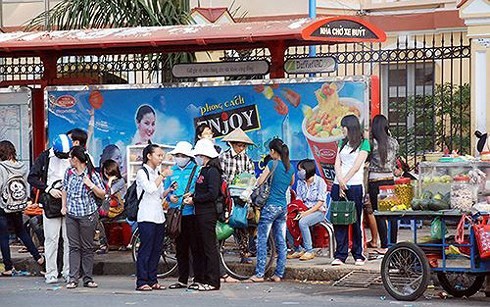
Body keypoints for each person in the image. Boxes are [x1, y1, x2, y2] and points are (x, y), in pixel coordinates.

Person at [247, 138, 294, 282]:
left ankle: (260, 274)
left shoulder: (272, 164)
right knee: (281, 241)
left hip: (270, 207)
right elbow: (291, 182)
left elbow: (260, 181)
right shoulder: (289, 167)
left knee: (262, 239)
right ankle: (279, 274)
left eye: (270, 150)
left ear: (273, 151)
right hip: (282, 207)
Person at [27, 134, 72, 284]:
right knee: (51, 239)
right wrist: (47, 189)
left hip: (69, 201)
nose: (65, 157)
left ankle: (67, 271)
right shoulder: (45, 157)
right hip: (51, 202)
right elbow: (31, 177)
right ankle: (51, 272)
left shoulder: (73, 156)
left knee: (68, 239)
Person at [62, 146, 105, 289]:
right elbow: (65, 189)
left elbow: (102, 194)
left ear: (75, 159)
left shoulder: (92, 174)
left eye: (70, 157)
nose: (69, 160)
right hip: (71, 214)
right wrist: (64, 207)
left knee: (87, 247)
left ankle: (88, 278)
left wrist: (91, 185)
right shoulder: (69, 172)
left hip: (88, 215)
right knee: (73, 247)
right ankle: (73, 278)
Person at [0, 140, 45, 277]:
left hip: (3, 205)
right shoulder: (22, 166)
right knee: (21, 232)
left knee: (3, 236)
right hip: (18, 205)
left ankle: (8, 267)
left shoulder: (1, 167)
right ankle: (39, 258)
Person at [182, 139, 222, 291]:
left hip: (208, 214)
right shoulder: (204, 170)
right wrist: (193, 194)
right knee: (202, 248)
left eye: (198, 155)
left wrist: (194, 199)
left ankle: (213, 281)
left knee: (209, 248)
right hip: (200, 213)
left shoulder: (212, 171)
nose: (197, 157)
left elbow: (212, 194)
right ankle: (204, 278)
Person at [331, 115, 370, 266]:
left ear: (350, 127)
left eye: (343, 127)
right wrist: (340, 181)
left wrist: (344, 182)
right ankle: (340, 255)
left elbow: (356, 167)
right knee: (339, 219)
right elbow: (337, 163)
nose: (342, 130)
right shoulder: (342, 143)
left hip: (354, 185)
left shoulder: (364, 144)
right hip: (338, 184)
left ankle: (358, 253)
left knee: (355, 220)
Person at [164, 141, 203, 290]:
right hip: (176, 214)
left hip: (191, 214)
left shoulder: (196, 170)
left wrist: (192, 197)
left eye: (182, 155)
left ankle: (197, 278)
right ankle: (182, 279)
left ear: (188, 156)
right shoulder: (171, 171)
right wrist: (169, 198)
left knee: (195, 248)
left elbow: (199, 190)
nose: (179, 158)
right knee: (180, 249)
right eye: (177, 155)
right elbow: (166, 190)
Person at [134, 144, 170, 291]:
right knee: (145, 249)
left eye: (162, 156)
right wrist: (162, 176)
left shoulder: (156, 172)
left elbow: (159, 194)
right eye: (158, 155)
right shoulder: (142, 172)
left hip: (158, 216)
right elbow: (149, 189)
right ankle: (142, 281)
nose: (161, 158)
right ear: (149, 156)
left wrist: (169, 190)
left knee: (156, 249)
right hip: (146, 215)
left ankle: (152, 279)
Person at [220, 128, 256, 267]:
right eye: (239, 145)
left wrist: (247, 193)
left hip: (242, 196)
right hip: (227, 196)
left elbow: (252, 178)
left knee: (242, 225)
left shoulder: (247, 160)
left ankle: (244, 253)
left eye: (243, 145)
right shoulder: (223, 158)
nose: (241, 148)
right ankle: (220, 249)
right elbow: (221, 178)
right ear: (232, 144)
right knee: (224, 222)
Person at [368, 114, 399, 251]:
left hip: (375, 181)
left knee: (379, 213)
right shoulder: (394, 142)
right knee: (392, 213)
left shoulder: (370, 142)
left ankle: (384, 244)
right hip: (390, 180)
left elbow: (366, 160)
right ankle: (393, 243)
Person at [287, 159, 328, 261]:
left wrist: (306, 213)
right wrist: (299, 210)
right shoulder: (301, 182)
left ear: (308, 170)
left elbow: (320, 202)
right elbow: (299, 199)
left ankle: (309, 250)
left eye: (300, 170)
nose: (298, 172)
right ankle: (297, 248)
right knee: (287, 220)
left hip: (318, 211)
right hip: (303, 209)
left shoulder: (320, 182)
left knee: (303, 222)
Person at [96, 159, 127, 254]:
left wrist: (109, 181)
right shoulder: (103, 180)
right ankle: (103, 243)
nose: (106, 175)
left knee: (98, 217)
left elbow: (108, 193)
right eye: (105, 173)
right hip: (108, 206)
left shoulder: (120, 181)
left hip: (117, 208)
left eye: (108, 173)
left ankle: (104, 244)